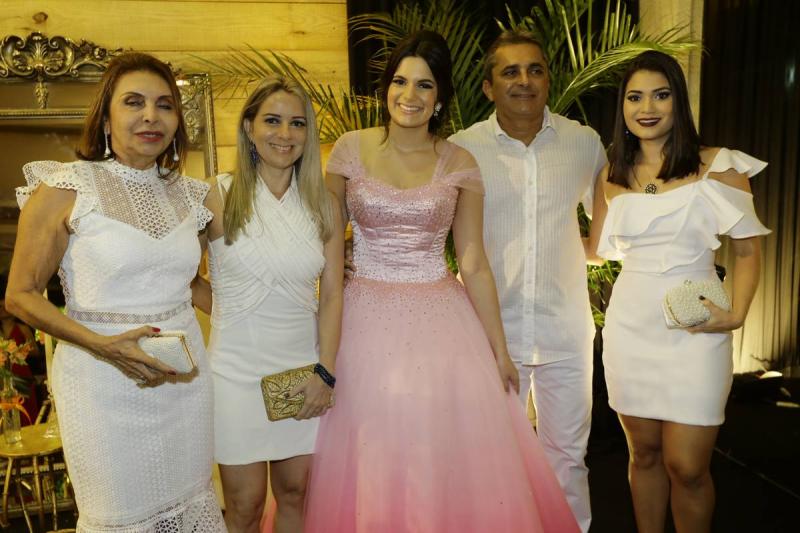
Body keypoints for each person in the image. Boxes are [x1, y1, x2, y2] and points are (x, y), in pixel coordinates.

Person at [303, 30, 579, 533]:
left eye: (424, 85)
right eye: (400, 82)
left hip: (441, 320)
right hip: (361, 317)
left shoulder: (459, 162)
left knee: (435, 450)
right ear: (386, 89)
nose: (409, 95)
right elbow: (326, 243)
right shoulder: (348, 150)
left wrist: (499, 350)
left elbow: (473, 262)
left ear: (440, 98)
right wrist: (328, 296)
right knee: (370, 448)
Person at [6, 52, 225, 531]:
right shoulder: (64, 188)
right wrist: (105, 346)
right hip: (102, 384)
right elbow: (20, 294)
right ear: (105, 117)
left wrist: (273, 321)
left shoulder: (192, 195)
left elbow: (191, 283)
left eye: (165, 105)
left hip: (184, 380)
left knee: (191, 502)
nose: (151, 116)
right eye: (134, 102)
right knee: (118, 514)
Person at [587, 50, 769, 533]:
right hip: (631, 329)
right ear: (622, 107)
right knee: (643, 455)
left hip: (696, 328)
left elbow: (748, 250)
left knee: (687, 467)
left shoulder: (719, 166)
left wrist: (736, 314)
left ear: (679, 102)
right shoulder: (610, 174)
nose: (647, 107)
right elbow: (595, 252)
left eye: (661, 95)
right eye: (635, 97)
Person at [449, 29, 606, 532]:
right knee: (491, 461)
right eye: (510, 71)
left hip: (566, 331)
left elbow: (611, 229)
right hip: (489, 334)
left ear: (548, 79)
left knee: (569, 459)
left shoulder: (584, 144)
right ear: (488, 86)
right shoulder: (461, 150)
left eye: (535, 69)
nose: (524, 80)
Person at [203, 75, 343, 533]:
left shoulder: (324, 204)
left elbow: (332, 295)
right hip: (234, 374)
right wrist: (227, 306)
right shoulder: (216, 195)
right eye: (272, 121)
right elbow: (179, 276)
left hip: (302, 372)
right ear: (249, 127)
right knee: (243, 506)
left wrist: (324, 373)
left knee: (296, 494)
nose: (285, 134)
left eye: (297, 123)